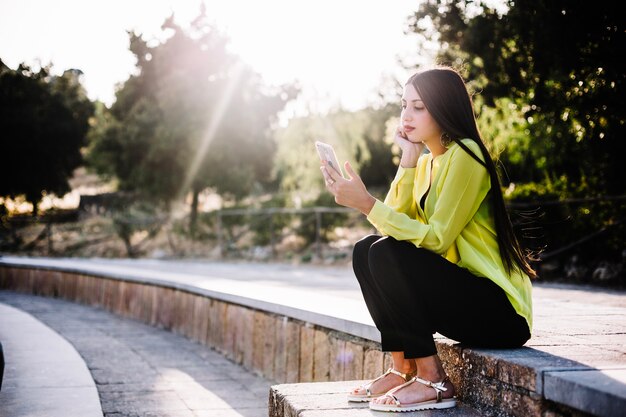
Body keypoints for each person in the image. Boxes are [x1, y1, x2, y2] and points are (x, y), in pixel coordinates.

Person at [320, 66, 534, 413]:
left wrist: (366, 203)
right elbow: (389, 227)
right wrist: (408, 160)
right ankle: (403, 368)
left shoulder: (467, 155)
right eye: (404, 105)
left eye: (419, 107)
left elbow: (436, 238)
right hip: (463, 300)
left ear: (445, 108)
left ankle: (434, 380)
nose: (406, 116)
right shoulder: (427, 164)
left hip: (501, 313)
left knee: (384, 253)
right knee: (366, 250)